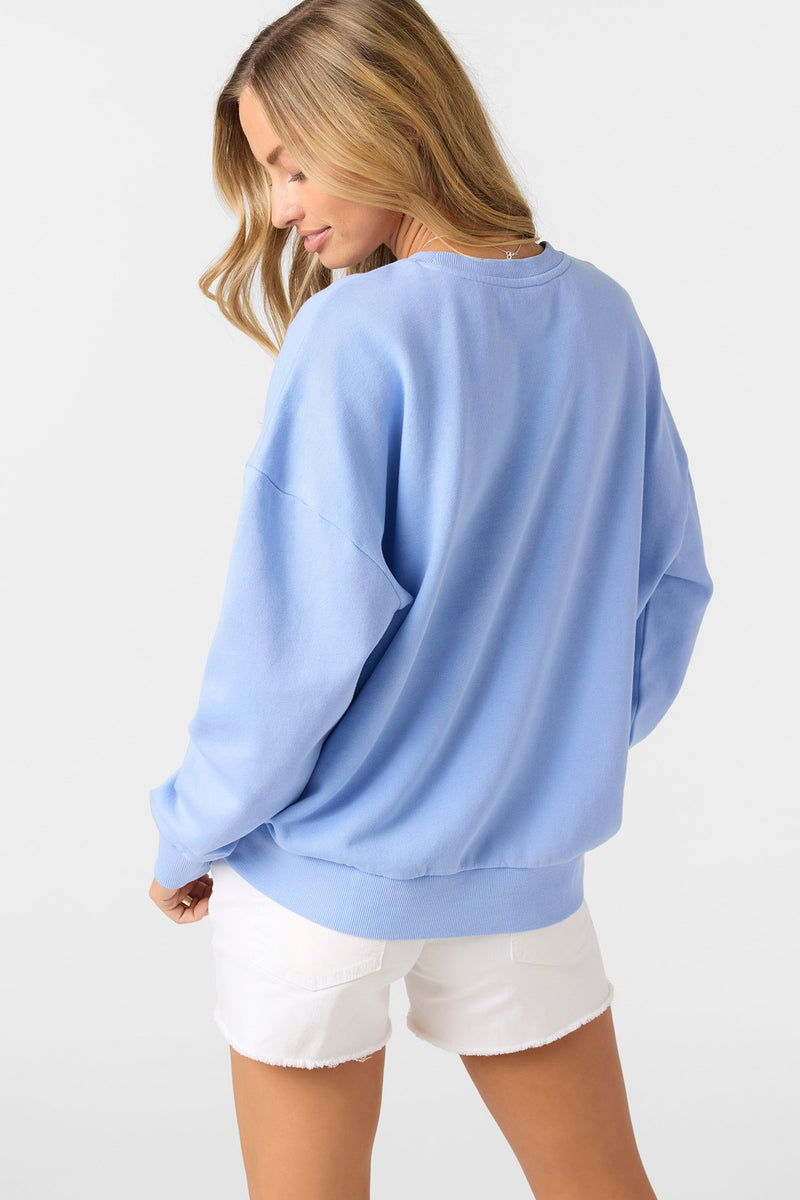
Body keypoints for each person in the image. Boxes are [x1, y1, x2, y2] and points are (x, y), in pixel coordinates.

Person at [147, 1, 713, 1197]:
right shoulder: (602, 316)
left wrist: (190, 829)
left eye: (295, 165)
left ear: (388, 120)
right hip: (522, 875)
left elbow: (286, 652)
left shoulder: (354, 334)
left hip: (320, 886)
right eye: (268, 175)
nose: (282, 209)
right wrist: (539, 753)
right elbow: (667, 586)